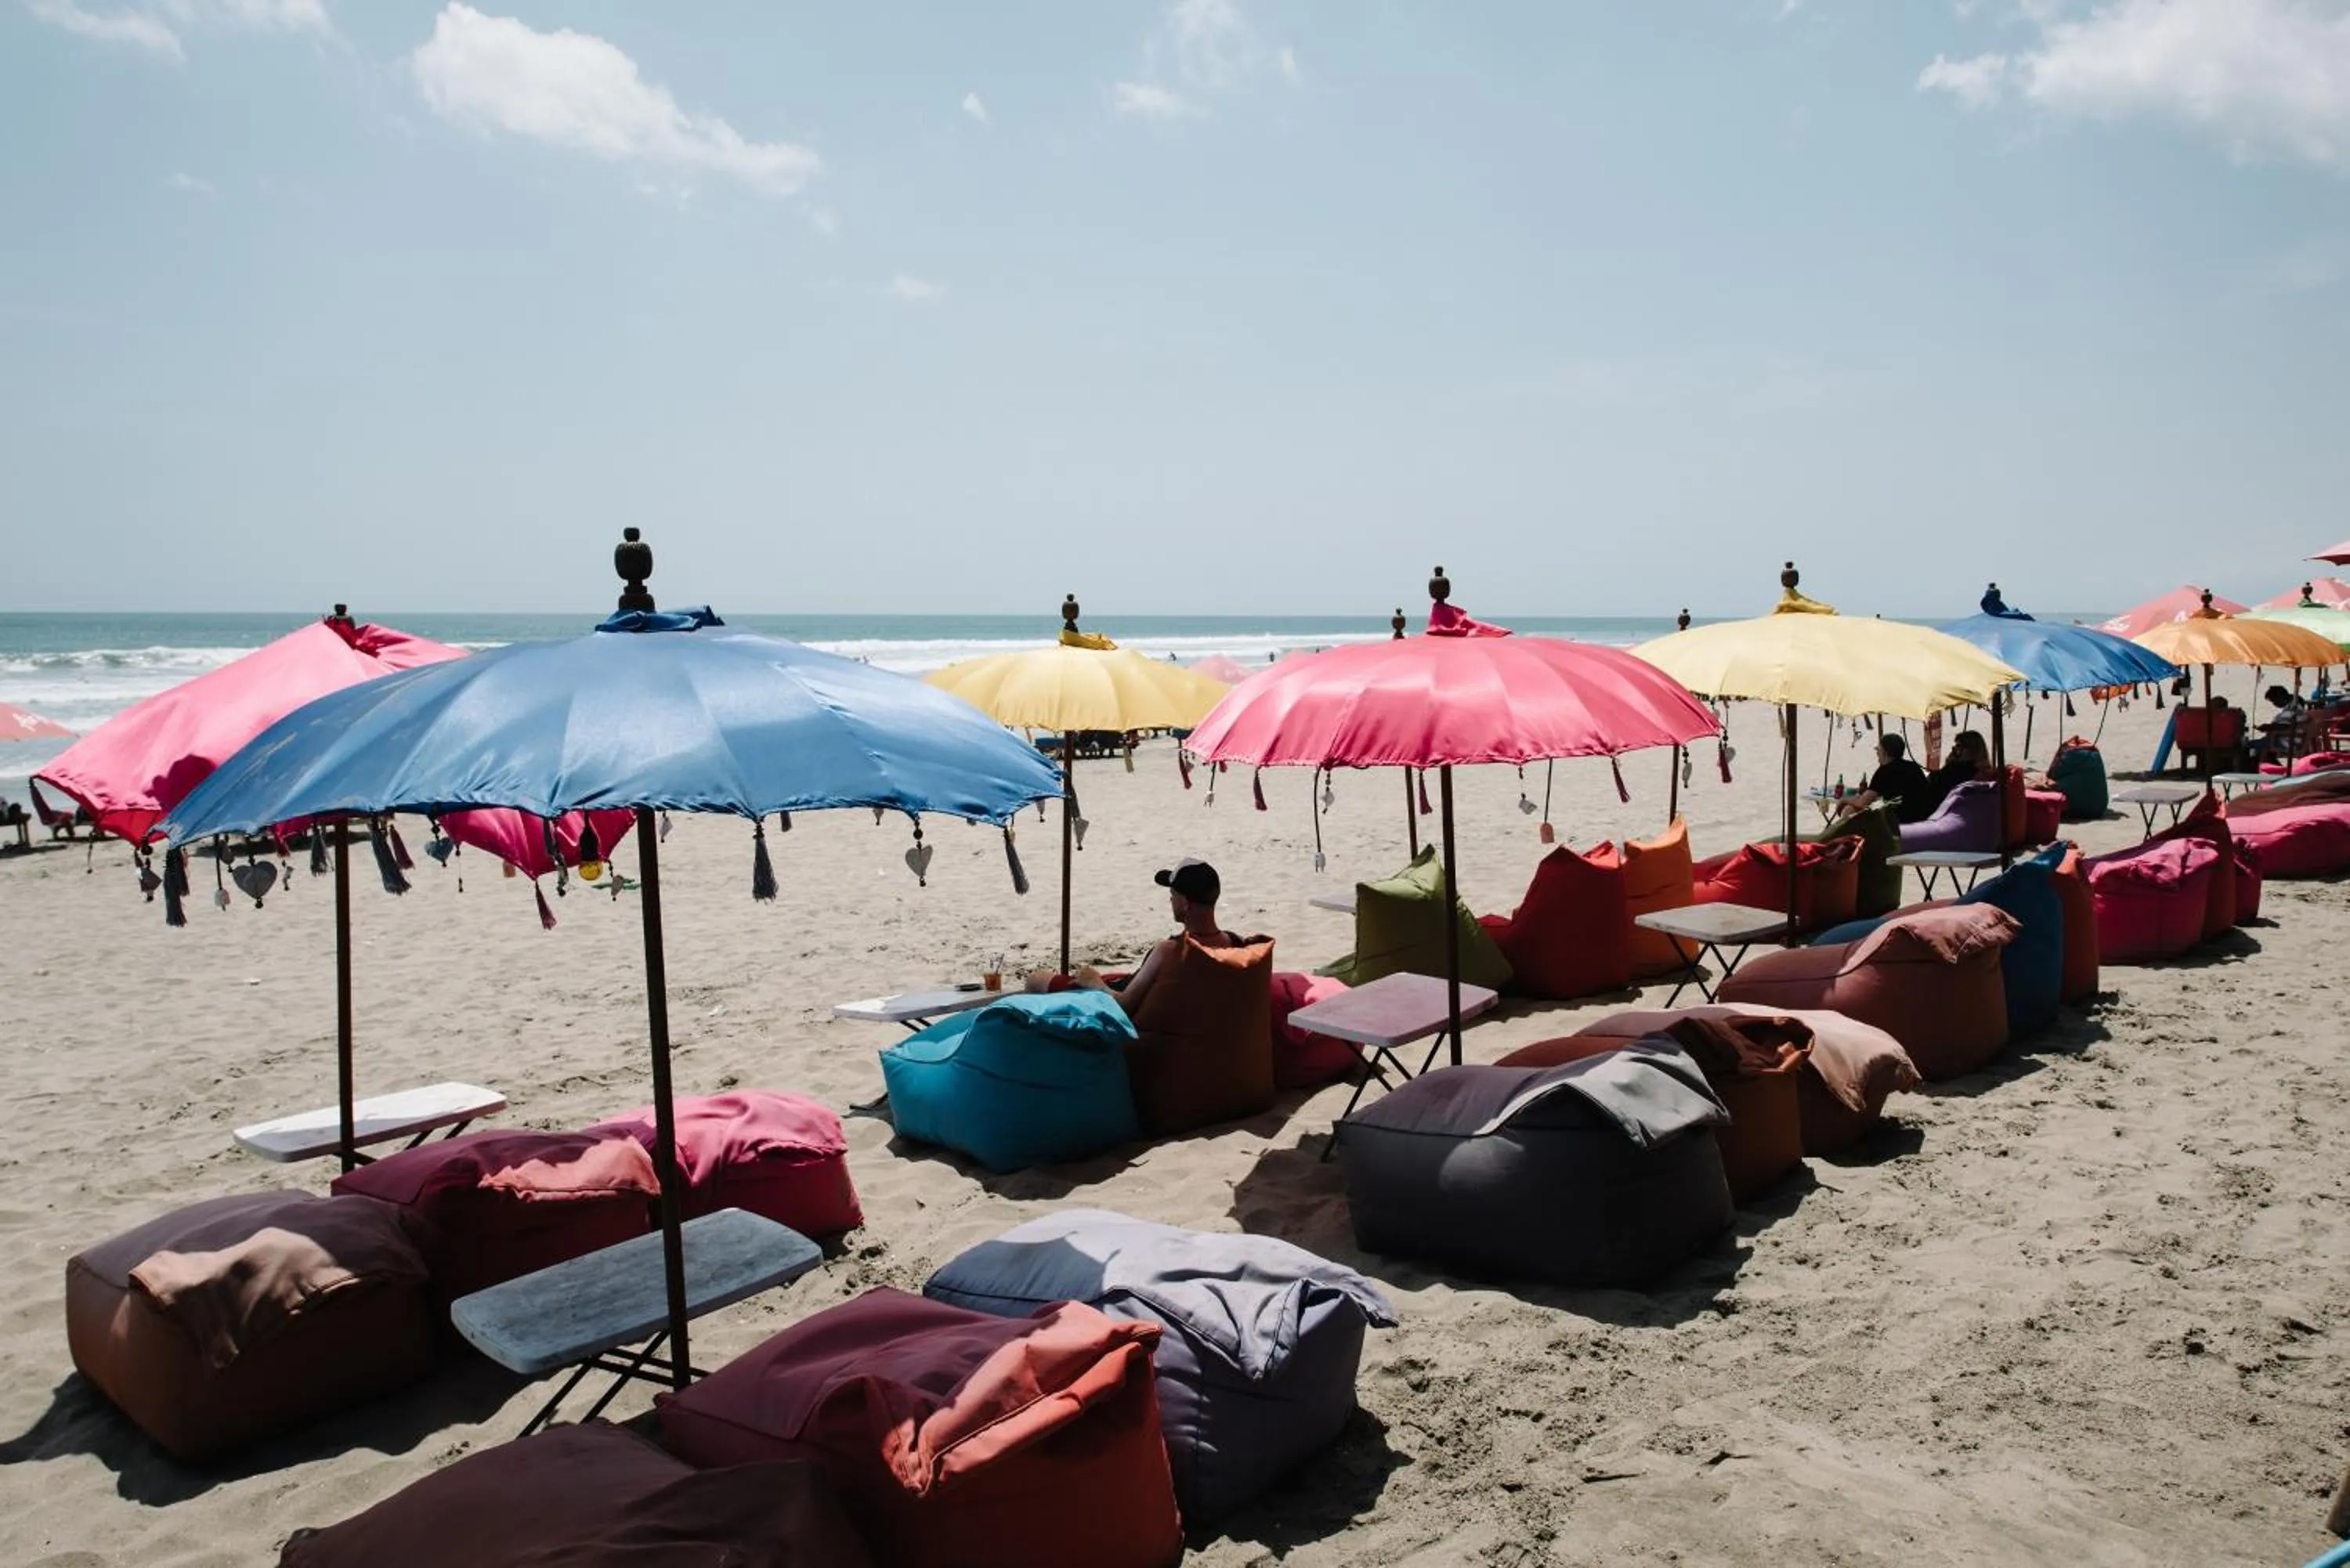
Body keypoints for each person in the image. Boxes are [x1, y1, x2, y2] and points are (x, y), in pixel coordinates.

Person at [1026, 858, 1241, 1016]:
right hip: (1169, 1006)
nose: (1170, 900)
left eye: (1173, 895)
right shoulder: (1233, 945)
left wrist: (1095, 984)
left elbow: (1125, 1005)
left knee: (1036, 980)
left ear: (1186, 903)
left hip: (1116, 1007)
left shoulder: (1169, 950)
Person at [1830, 733, 1932, 825]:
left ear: (1885, 753)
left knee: (1849, 810)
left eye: (1878, 749)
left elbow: (1862, 803)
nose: (1877, 752)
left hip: (1899, 822)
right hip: (1923, 817)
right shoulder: (1913, 767)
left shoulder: (1884, 771)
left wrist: (1843, 800)